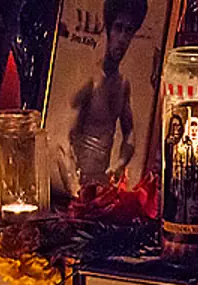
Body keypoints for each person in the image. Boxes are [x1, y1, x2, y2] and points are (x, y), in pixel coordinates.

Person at [66, 0, 146, 189]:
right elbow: (66, 135)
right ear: (108, 30)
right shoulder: (90, 81)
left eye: (128, 31)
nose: (122, 38)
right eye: (118, 28)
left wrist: (119, 165)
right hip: (76, 184)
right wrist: (72, 181)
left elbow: (130, 133)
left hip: (102, 184)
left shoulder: (123, 85)